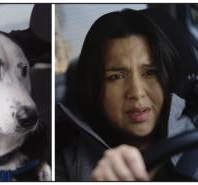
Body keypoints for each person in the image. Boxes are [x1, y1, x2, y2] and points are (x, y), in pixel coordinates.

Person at [55, 8, 198, 181]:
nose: (136, 92)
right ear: (94, 87)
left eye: (150, 72)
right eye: (116, 77)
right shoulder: (62, 165)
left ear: (168, 76)